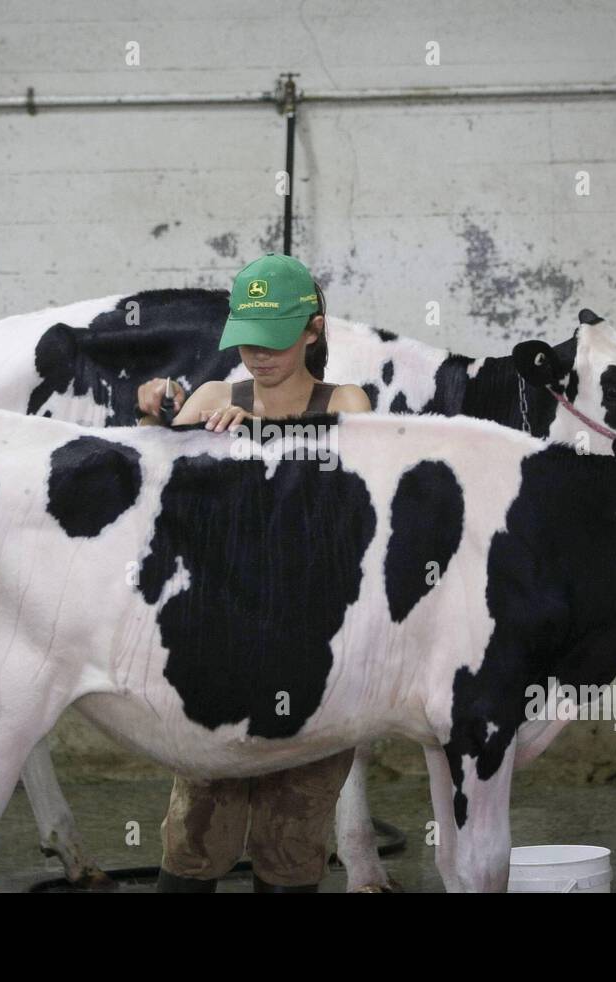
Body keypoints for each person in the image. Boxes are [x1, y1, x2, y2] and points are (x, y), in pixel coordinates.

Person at [137, 253, 372, 892]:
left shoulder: (346, 401)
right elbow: (158, 496)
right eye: (245, 339)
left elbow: (344, 498)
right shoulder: (214, 397)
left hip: (314, 655)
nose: (257, 356)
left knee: (293, 838)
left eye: (272, 341)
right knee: (195, 834)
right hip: (222, 648)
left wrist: (261, 435)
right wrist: (155, 417)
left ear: (313, 332)